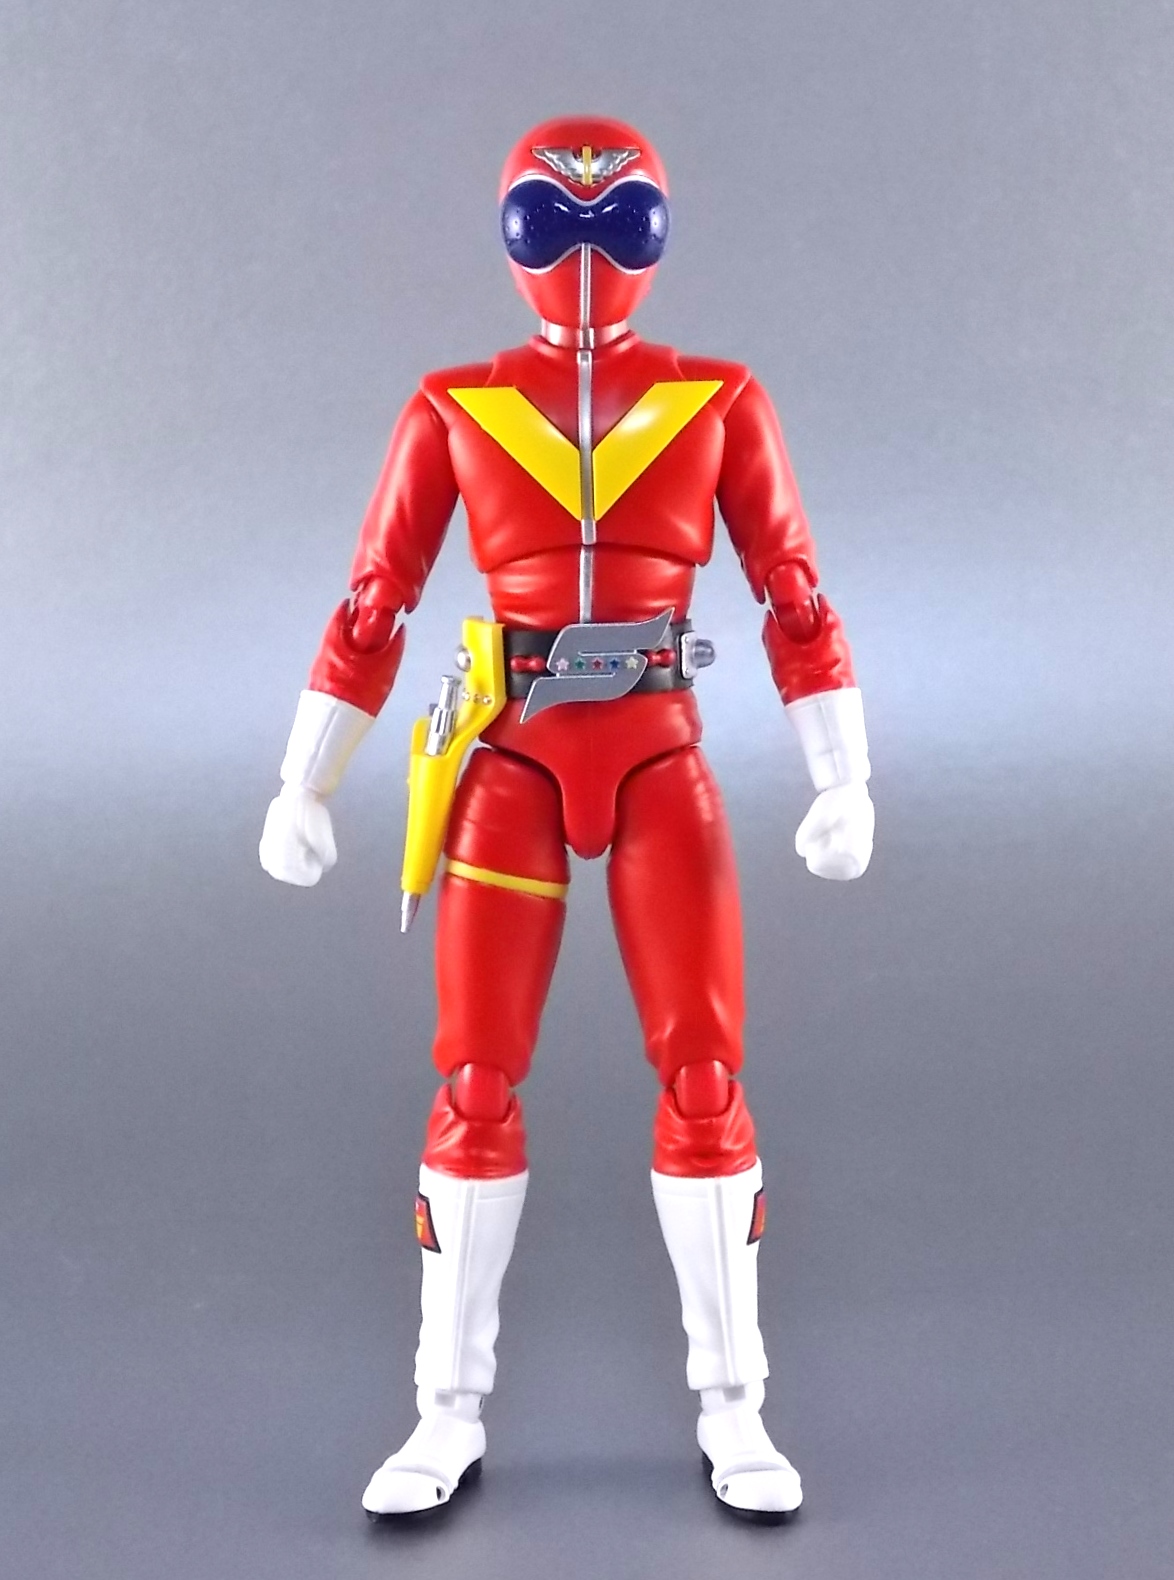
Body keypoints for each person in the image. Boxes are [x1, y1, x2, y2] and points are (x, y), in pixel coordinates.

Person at [260, 114, 875, 1523]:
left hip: (659, 754)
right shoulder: (454, 408)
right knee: (474, 1080)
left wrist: (842, 771)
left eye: (619, 223)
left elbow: (791, 591)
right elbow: (373, 604)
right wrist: (305, 778)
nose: (585, 257)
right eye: (552, 223)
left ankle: (735, 1407)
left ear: (655, 234)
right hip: (514, 764)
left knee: (705, 1078)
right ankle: (444, 1412)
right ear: (512, 235)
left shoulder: (718, 401)